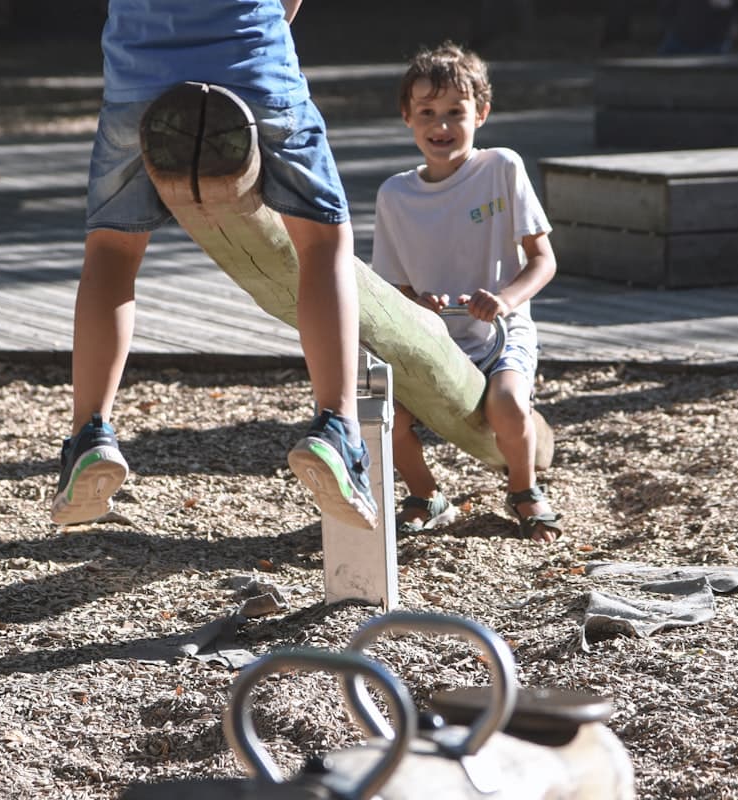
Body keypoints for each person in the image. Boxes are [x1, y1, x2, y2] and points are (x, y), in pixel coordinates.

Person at [50, 0, 378, 532]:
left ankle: (91, 432)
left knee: (111, 251)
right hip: (253, 62)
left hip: (138, 75)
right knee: (324, 241)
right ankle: (337, 425)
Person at [370, 42, 561, 543]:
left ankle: (523, 488)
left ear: (482, 113)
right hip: (432, 336)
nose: (443, 125)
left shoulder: (501, 168)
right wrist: (417, 305)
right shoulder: (395, 195)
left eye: (456, 112)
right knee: (385, 413)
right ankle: (424, 493)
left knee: (509, 406)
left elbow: (543, 261)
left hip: (500, 332)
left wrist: (506, 299)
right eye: (428, 113)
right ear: (407, 117)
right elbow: (397, 286)